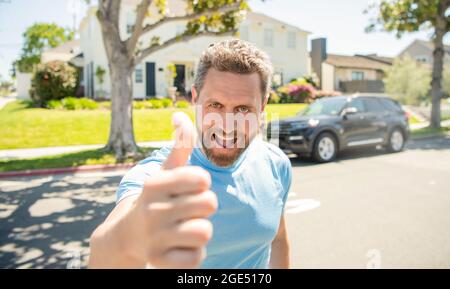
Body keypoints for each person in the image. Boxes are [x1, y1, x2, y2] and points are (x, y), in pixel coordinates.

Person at [88, 39, 292, 269]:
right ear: (195, 98)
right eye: (215, 105)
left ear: (263, 106)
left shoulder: (277, 164)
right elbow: (105, 256)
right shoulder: (156, 177)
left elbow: (278, 238)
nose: (226, 126)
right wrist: (127, 241)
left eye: (243, 109)